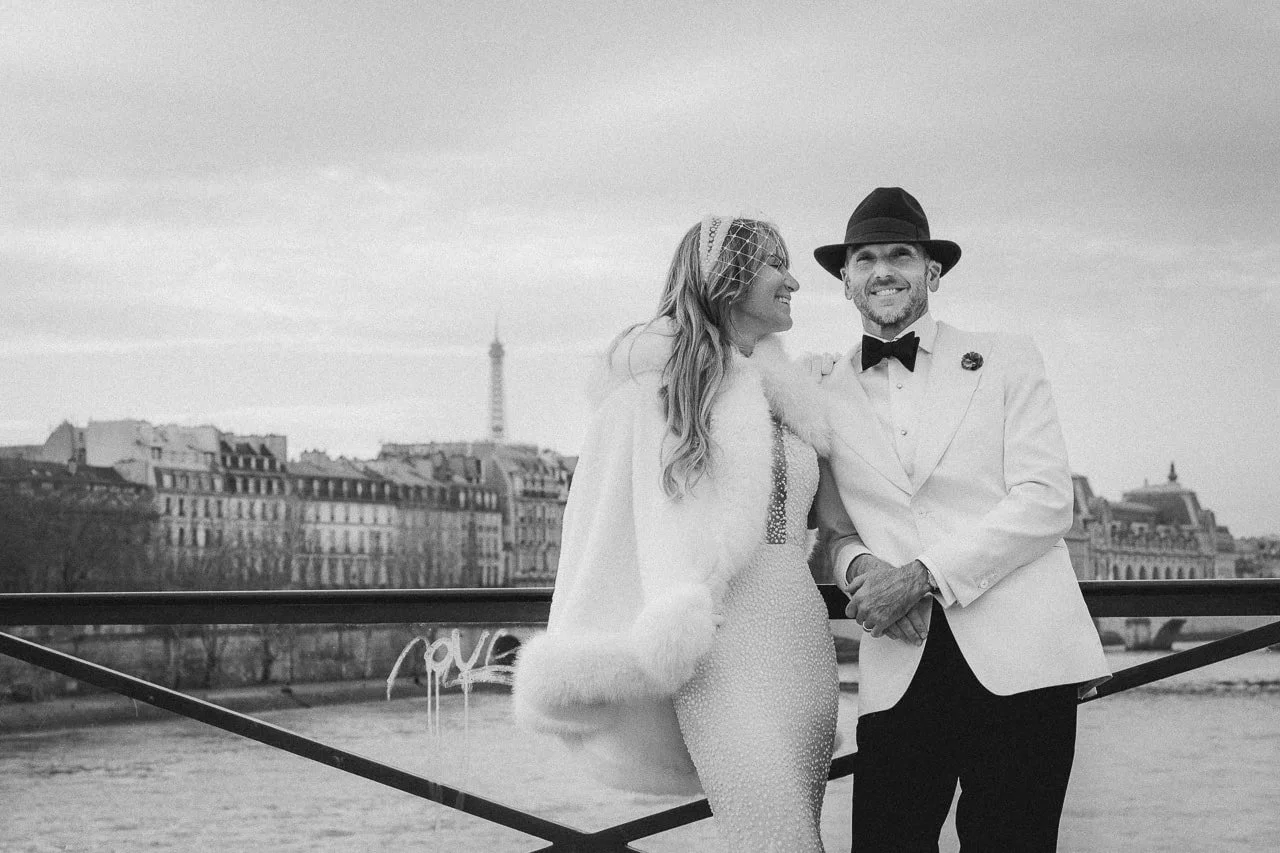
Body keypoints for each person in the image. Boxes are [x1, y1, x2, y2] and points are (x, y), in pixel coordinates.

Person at [514, 215, 840, 851]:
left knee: (797, 836)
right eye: (777, 264)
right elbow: (598, 537)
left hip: (803, 642)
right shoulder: (646, 394)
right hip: (720, 653)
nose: (794, 280)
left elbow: (825, 526)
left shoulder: (792, 399)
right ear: (728, 279)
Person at [810, 187, 1111, 852]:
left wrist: (921, 575)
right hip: (901, 658)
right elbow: (834, 529)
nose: (882, 269)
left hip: (1023, 660)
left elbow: (1044, 499)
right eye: (864, 258)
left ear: (933, 273)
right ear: (845, 280)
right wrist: (860, 567)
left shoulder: (1008, 356)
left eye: (900, 255)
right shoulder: (820, 394)